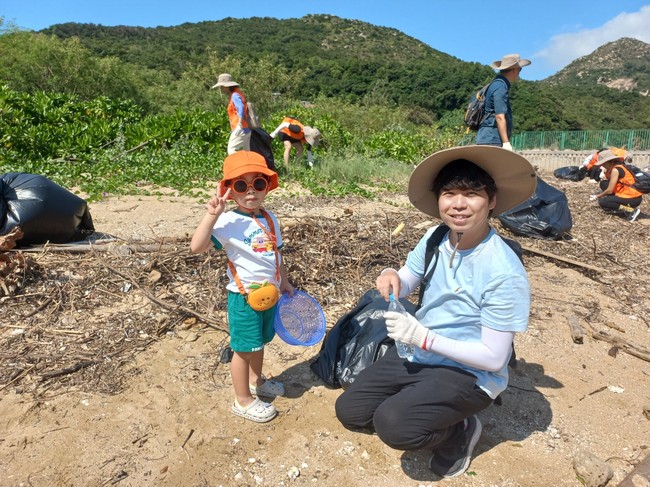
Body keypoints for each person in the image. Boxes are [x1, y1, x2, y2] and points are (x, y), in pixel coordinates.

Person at [335, 145, 537, 479]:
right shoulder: (436, 237)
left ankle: (460, 433)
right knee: (350, 411)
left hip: (468, 371)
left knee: (393, 424)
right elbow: (407, 278)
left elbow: (494, 358)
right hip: (419, 351)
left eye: (471, 194)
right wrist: (391, 275)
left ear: (492, 200)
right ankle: (423, 402)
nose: (458, 204)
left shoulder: (503, 271)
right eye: (449, 193)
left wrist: (423, 337)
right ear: (439, 199)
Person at [190, 150, 294, 423]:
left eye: (257, 183)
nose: (250, 191)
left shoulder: (270, 218)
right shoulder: (227, 221)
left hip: (269, 295)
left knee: (259, 343)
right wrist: (212, 215)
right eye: (240, 185)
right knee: (244, 349)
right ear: (230, 191)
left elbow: (276, 254)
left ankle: (256, 382)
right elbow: (197, 247)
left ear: (267, 186)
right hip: (244, 298)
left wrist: (284, 281)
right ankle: (243, 400)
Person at [475, 54, 531, 151]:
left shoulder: (496, 83)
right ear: (514, 70)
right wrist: (506, 143)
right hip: (492, 139)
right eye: (520, 69)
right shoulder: (500, 87)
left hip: (487, 137)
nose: (519, 73)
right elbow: (499, 117)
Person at [590, 149, 642, 222]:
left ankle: (630, 210)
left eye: (603, 163)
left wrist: (597, 196)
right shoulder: (616, 166)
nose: (602, 165)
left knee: (603, 202)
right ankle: (616, 203)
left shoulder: (616, 170)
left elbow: (609, 190)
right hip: (627, 193)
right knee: (604, 184)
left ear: (608, 162)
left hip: (633, 198)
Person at [212, 73, 251, 155]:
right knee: (246, 154)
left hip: (241, 129)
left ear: (226, 86)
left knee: (231, 150)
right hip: (246, 129)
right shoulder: (238, 93)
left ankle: (235, 164)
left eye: (221, 87)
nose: (221, 89)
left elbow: (241, 108)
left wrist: (239, 125)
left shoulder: (235, 95)